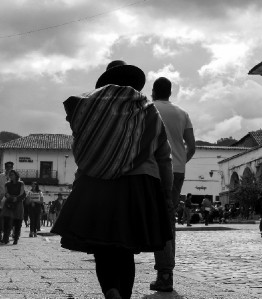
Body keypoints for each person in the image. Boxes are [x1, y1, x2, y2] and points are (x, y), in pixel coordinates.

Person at [52, 60, 173, 299]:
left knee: (103, 247)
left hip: (97, 186)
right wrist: (166, 194)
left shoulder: (90, 111)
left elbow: (84, 151)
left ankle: (111, 290)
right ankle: (122, 296)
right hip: (138, 186)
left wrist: (81, 183)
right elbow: (164, 157)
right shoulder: (148, 110)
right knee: (125, 249)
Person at [150, 75, 196, 291]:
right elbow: (192, 146)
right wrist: (179, 163)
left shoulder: (148, 109)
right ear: (170, 92)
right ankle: (166, 273)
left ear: (153, 91)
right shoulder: (182, 113)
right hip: (176, 171)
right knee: (168, 220)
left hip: (151, 169)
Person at [0, 169, 25, 244]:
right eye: (10, 175)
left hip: (18, 203)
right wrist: (10, 198)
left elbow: (22, 193)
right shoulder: (7, 184)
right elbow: (6, 193)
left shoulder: (21, 184)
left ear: (16, 175)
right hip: (9, 203)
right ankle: (5, 238)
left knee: (17, 221)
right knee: (7, 221)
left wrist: (16, 199)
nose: (11, 176)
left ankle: (16, 238)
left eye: (12, 174)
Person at [0, 161, 13, 242]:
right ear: (5, 167)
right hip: (1, 198)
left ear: (12, 167)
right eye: (7, 166)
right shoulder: (1, 176)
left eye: (10, 166)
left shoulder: (14, 176)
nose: (8, 168)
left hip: (11, 198)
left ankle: (7, 235)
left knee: (9, 218)